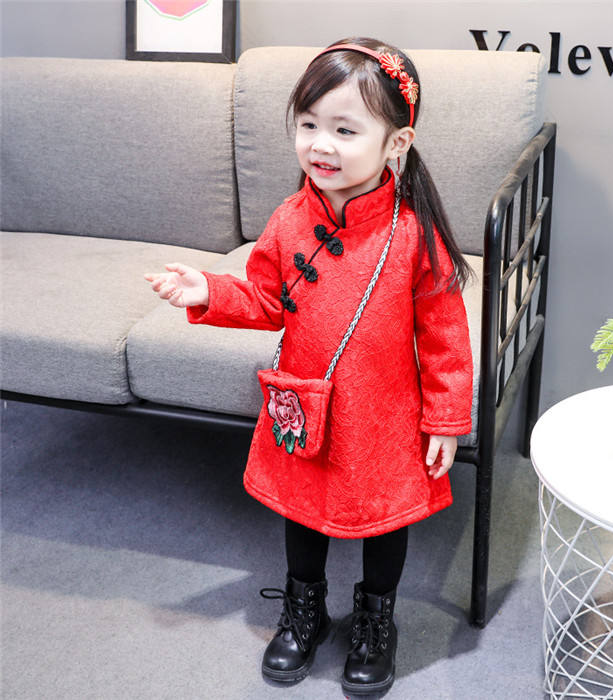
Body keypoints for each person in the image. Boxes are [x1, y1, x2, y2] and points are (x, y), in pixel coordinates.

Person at [144, 37, 473, 696]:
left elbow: (444, 336)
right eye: (308, 124)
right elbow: (268, 300)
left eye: (345, 130)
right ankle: (305, 609)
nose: (321, 145)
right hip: (307, 407)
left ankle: (375, 620)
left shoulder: (413, 234)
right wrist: (210, 290)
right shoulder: (290, 220)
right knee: (301, 510)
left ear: (397, 143)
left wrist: (444, 419)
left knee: (386, 519)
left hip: (384, 415)